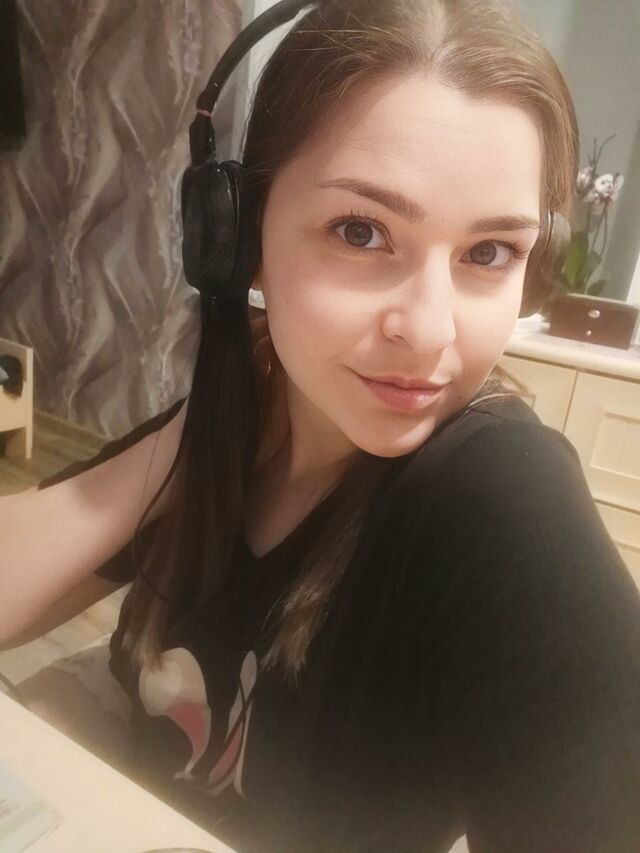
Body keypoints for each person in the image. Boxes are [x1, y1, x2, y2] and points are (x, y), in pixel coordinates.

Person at [1, 0, 639, 850]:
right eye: (360, 231)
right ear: (237, 240)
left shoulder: (502, 490)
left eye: (489, 253)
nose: (431, 332)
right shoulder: (251, 396)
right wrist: (192, 441)